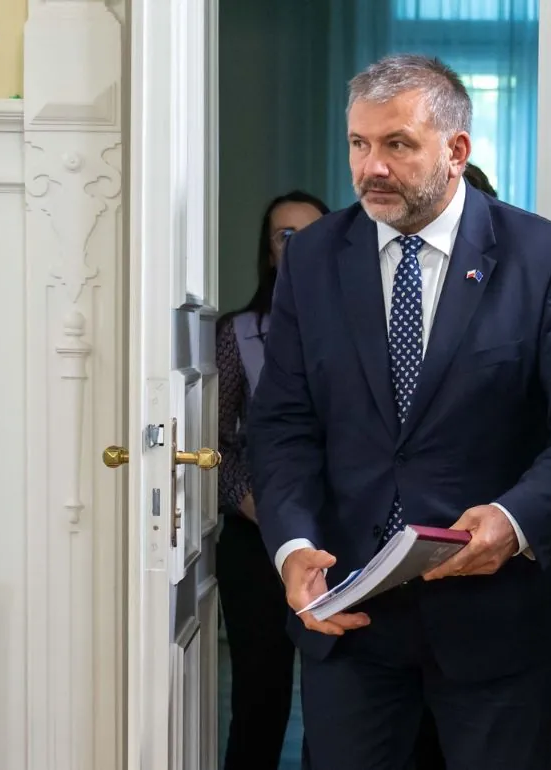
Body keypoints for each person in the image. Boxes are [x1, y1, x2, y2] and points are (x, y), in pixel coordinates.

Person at [248, 53, 551, 770]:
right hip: (348, 614)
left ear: (456, 150)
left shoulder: (542, 257)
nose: (372, 168)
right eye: (359, 145)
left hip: (496, 621)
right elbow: (282, 424)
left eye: (397, 144)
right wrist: (293, 547)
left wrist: (516, 519)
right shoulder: (313, 259)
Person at [216, 190, 330, 770]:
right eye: (285, 234)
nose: (299, 244)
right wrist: (256, 505)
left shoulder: (351, 328)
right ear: (268, 251)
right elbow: (210, 446)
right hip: (255, 538)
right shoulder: (238, 335)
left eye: (312, 231)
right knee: (259, 701)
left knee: (336, 704)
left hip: (337, 542)